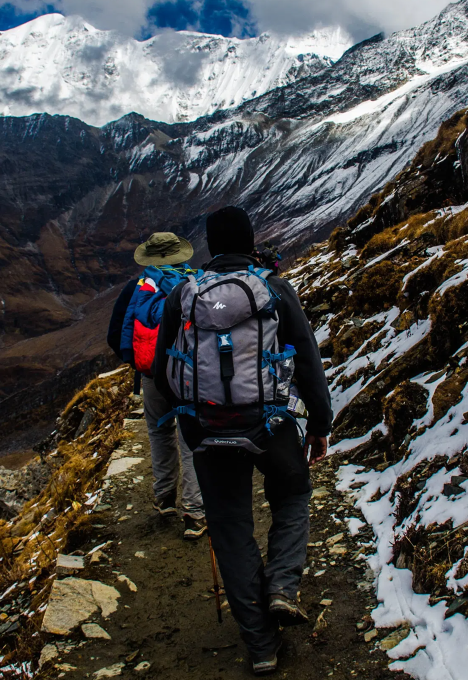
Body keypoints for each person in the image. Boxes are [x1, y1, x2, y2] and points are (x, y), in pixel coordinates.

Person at [152, 206, 331, 676]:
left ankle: (261, 647)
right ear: (251, 241)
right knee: (292, 496)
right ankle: (282, 589)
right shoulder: (273, 289)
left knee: (231, 529)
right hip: (269, 425)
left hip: (208, 431)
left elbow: (162, 368)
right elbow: (308, 360)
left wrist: (189, 420)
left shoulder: (184, 295)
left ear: (210, 247)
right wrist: (319, 423)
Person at [107, 232, 207, 539]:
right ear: (180, 255)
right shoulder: (197, 283)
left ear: (149, 258)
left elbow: (115, 334)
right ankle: (195, 512)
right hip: (189, 375)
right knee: (190, 437)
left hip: (152, 375)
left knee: (159, 431)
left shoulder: (137, 288)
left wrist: (139, 362)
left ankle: (165, 499)